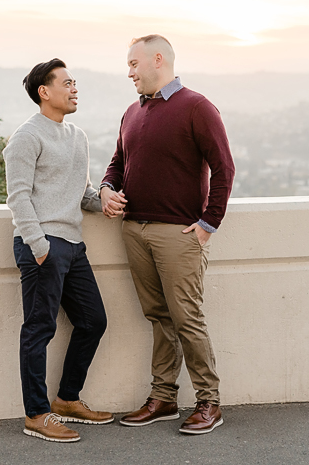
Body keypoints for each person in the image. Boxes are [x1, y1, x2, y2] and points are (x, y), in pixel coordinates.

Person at [100, 35, 235, 435]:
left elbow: (224, 168)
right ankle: (164, 398)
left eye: (133, 64)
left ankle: (209, 401)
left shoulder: (197, 106)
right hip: (134, 230)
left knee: (187, 318)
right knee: (158, 317)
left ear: (157, 59)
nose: (129, 73)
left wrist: (208, 225)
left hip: (178, 232)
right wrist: (107, 190)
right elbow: (116, 164)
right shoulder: (131, 112)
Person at [4, 59, 113, 443]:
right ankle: (36, 414)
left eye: (75, 82)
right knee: (39, 330)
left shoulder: (77, 137)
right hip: (42, 247)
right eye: (67, 83)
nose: (74, 88)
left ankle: (67, 399)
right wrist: (39, 246)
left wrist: (106, 201)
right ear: (44, 92)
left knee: (93, 321)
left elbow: (80, 193)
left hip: (73, 246)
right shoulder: (26, 137)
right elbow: (17, 197)